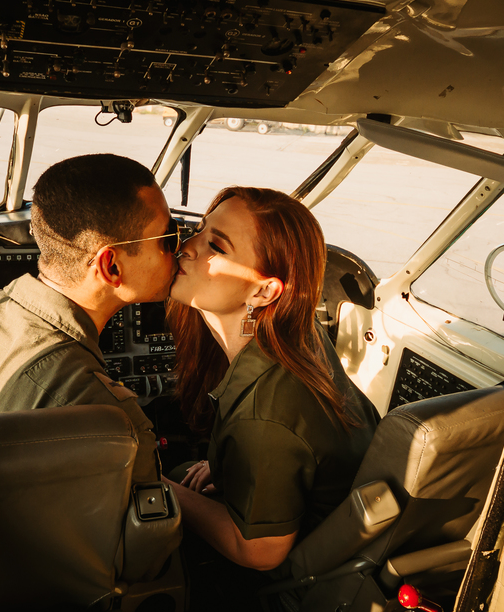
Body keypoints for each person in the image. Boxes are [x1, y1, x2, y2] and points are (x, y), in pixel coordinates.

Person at [163, 186, 380, 571]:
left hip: (297, 574)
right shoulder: (297, 333)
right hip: (311, 507)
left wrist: (160, 488)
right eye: (199, 229)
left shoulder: (267, 413)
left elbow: (260, 553)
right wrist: (224, 463)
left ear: (263, 291)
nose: (188, 246)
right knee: (186, 473)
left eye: (216, 246)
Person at [0, 153, 179, 485]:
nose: (181, 248)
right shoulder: (111, 419)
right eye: (168, 238)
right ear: (111, 267)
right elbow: (152, 517)